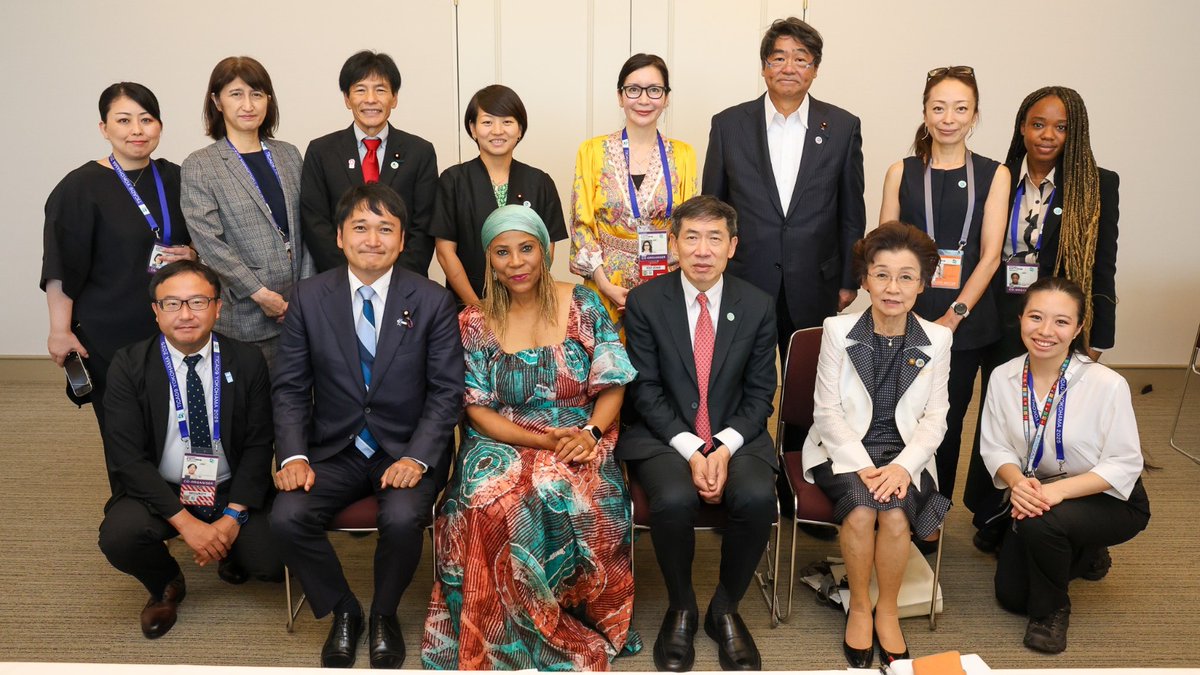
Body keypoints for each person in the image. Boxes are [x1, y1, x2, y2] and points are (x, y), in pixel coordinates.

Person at [422, 205, 640, 670]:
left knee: (561, 487)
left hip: (582, 430)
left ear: (544, 251)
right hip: (502, 435)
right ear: (489, 259)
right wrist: (541, 443)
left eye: (526, 249)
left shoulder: (583, 303)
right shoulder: (473, 322)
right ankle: (497, 632)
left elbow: (613, 384)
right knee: (486, 499)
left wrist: (589, 433)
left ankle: (572, 612)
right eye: (502, 252)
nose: (516, 262)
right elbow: (478, 411)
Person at [271, 183, 463, 669]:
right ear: (339, 237)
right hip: (333, 449)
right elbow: (290, 387)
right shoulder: (308, 298)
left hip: (404, 449)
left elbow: (446, 392)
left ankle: (384, 613)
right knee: (286, 517)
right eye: (360, 227)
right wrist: (293, 455)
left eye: (385, 229)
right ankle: (344, 609)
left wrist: (417, 457)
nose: (372, 240)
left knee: (402, 518)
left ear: (403, 240)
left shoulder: (432, 300)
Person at [619, 195, 777, 672]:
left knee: (756, 497)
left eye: (714, 238)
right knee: (672, 499)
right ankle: (682, 606)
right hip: (664, 433)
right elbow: (644, 390)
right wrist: (691, 449)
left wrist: (723, 448)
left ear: (733, 246)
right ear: (674, 244)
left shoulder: (757, 304)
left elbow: (761, 393)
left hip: (737, 433)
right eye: (691, 237)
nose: (702, 250)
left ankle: (724, 608)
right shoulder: (646, 302)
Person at [966, 86, 1122, 551]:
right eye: (1038, 124)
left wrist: (1099, 336)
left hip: (1054, 321)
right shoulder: (997, 177)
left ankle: (1068, 522)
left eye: (1060, 127)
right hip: (999, 314)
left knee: (1057, 418)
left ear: (1075, 133)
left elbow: (1103, 265)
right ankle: (994, 511)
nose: (1047, 135)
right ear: (1022, 127)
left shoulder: (1098, 184)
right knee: (999, 413)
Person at [98, 260, 280, 639]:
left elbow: (259, 444)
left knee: (274, 562)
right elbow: (127, 458)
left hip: (229, 488)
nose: (185, 314)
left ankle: (227, 547)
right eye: (172, 304)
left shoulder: (247, 360)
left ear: (218, 307)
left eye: (198, 302)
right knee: (120, 537)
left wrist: (232, 518)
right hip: (163, 489)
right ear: (156, 311)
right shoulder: (128, 365)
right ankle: (166, 582)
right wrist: (187, 525)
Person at [800, 222, 952, 669]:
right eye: (881, 274)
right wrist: (862, 464)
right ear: (865, 279)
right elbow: (826, 411)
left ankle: (888, 609)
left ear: (922, 284)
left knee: (897, 515)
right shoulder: (837, 329)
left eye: (906, 277)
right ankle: (861, 608)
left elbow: (935, 418)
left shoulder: (938, 339)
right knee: (864, 510)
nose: (892, 287)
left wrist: (903, 467)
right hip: (843, 449)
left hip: (906, 454)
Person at [980, 276, 1148, 654]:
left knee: (1040, 523)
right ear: (1020, 318)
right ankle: (1084, 550)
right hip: (1036, 489)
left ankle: (1052, 611)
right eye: (1035, 317)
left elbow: (1124, 463)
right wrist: (1018, 484)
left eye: (1061, 321)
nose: (1045, 331)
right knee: (1010, 596)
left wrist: (1053, 493)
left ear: (1077, 328)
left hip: (1107, 497)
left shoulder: (1107, 384)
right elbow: (995, 447)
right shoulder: (1003, 376)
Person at [879, 66, 1010, 502]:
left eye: (960, 109)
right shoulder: (901, 172)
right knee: (893, 415)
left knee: (946, 422)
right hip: (903, 315)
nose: (948, 118)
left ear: (974, 115)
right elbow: (885, 250)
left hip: (965, 321)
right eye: (938, 108)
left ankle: (932, 513)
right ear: (924, 112)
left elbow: (990, 256)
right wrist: (901, 311)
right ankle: (889, 502)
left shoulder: (995, 174)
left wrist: (953, 317)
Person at [42, 83, 195, 446]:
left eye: (147, 119)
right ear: (104, 128)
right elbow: (61, 264)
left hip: (177, 326)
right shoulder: (80, 187)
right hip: (110, 334)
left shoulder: (177, 178)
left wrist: (194, 254)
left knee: (180, 431)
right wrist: (60, 330)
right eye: (124, 120)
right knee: (126, 434)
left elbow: (204, 239)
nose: (136, 130)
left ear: (160, 125)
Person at [702, 17, 865, 355]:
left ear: (815, 69)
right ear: (764, 67)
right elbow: (711, 211)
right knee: (740, 379)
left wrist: (849, 279)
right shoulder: (728, 125)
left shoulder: (842, 126)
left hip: (815, 284)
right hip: (743, 281)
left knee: (807, 381)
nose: (789, 67)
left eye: (801, 58)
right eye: (778, 58)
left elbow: (851, 212)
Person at [182, 56, 309, 373]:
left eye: (257, 94)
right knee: (251, 399)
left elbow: (309, 225)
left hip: (299, 310)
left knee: (300, 396)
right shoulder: (201, 164)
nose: (248, 105)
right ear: (217, 101)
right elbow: (209, 243)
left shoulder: (289, 154)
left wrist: (304, 293)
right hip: (245, 315)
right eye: (236, 94)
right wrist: (261, 295)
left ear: (269, 99)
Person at [570, 53, 697, 334]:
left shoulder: (684, 155)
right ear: (620, 96)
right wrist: (604, 285)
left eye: (654, 90)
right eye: (633, 90)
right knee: (608, 360)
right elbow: (581, 225)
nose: (644, 99)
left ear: (666, 98)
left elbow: (688, 227)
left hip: (665, 287)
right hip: (605, 287)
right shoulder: (591, 151)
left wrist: (659, 288)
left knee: (660, 359)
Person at [300, 50, 437, 275]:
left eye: (380, 90)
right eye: (360, 90)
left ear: (394, 98)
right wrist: (351, 276)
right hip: (339, 281)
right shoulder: (321, 151)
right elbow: (315, 223)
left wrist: (394, 279)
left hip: (404, 281)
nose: (371, 99)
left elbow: (423, 226)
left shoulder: (420, 152)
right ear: (347, 98)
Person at [432, 85, 567, 307]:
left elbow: (546, 249)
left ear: (520, 129)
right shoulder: (453, 180)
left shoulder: (540, 182)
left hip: (528, 304)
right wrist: (476, 308)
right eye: (487, 122)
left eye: (507, 122)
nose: (497, 131)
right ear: (473, 129)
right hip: (468, 304)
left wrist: (524, 297)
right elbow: (445, 252)